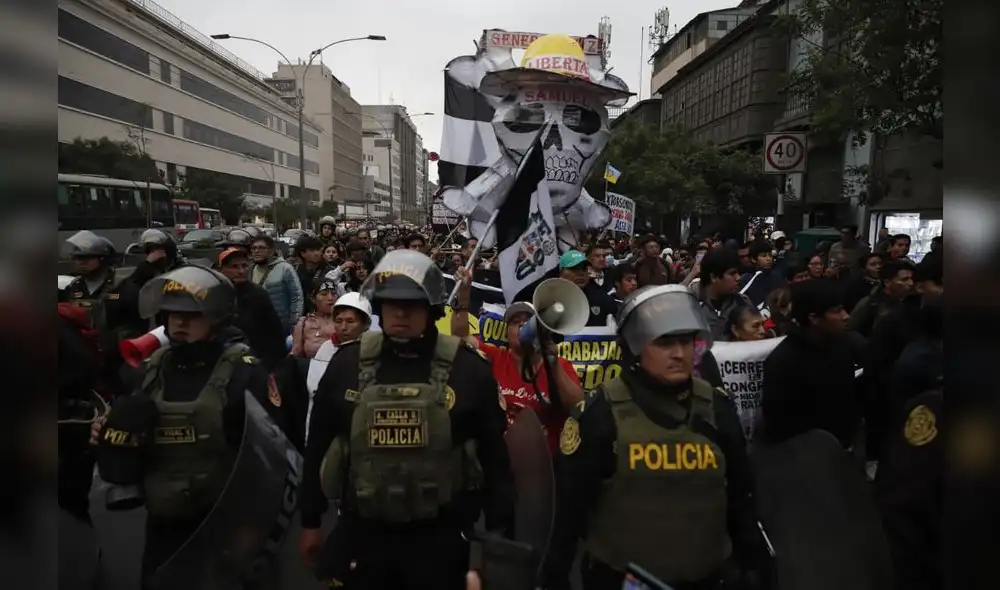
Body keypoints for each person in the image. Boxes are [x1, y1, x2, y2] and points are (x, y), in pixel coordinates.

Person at [298, 250, 514, 589]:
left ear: (431, 308)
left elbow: (494, 459)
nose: (400, 312)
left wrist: (498, 539)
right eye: (390, 302)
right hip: (363, 533)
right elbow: (318, 445)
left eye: (412, 304)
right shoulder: (346, 365)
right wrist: (310, 521)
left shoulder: (468, 370)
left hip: (441, 540)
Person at [543, 285, 763, 590]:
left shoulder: (716, 408)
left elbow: (741, 497)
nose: (679, 353)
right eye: (664, 342)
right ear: (635, 345)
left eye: (686, 341)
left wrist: (755, 565)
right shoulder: (601, 415)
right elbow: (568, 513)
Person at [90, 266, 291, 588]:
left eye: (191, 314)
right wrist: (108, 435)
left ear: (217, 317)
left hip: (228, 526)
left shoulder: (245, 372)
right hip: (165, 525)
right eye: (171, 313)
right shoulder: (150, 371)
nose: (179, 322)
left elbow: (276, 454)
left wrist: (253, 531)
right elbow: (127, 436)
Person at [451, 266, 585, 453]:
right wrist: (464, 296)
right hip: (499, 457)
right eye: (515, 322)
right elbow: (460, 338)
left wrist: (553, 364)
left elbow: (578, 407)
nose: (522, 324)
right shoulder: (495, 357)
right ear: (506, 333)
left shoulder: (559, 364)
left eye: (529, 320)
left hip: (542, 462)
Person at [759, 279, 860, 448]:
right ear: (814, 318)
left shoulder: (843, 345)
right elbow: (779, 423)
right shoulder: (784, 361)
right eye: (837, 311)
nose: (845, 316)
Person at [305, 292, 375, 441]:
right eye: (339, 321)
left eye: (350, 321)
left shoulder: (373, 351)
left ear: (364, 324)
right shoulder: (325, 349)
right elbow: (314, 393)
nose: (343, 327)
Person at [217, 247, 288, 371]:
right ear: (221, 270)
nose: (241, 271)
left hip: (257, 364)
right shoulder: (215, 295)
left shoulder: (258, 294)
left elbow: (275, 331)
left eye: (244, 265)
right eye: (234, 267)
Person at [250, 234, 304, 334]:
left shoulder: (285, 268)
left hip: (282, 327)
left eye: (261, 248)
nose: (256, 251)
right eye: (254, 248)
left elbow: (296, 297)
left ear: (271, 250)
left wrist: (294, 324)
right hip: (258, 327)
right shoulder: (250, 270)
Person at [696, 249, 752, 341]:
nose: (738, 278)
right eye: (732, 273)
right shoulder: (693, 308)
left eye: (738, 273)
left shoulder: (743, 302)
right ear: (714, 277)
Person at [558, 250, 617, 326]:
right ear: (561, 273)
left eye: (584, 268)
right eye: (574, 268)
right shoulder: (549, 301)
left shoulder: (604, 300)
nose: (581, 273)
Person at [291, 278, 338, 359]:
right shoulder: (303, 324)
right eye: (324, 294)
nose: (330, 298)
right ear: (313, 298)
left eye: (333, 294)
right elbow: (296, 352)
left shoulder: (344, 320)